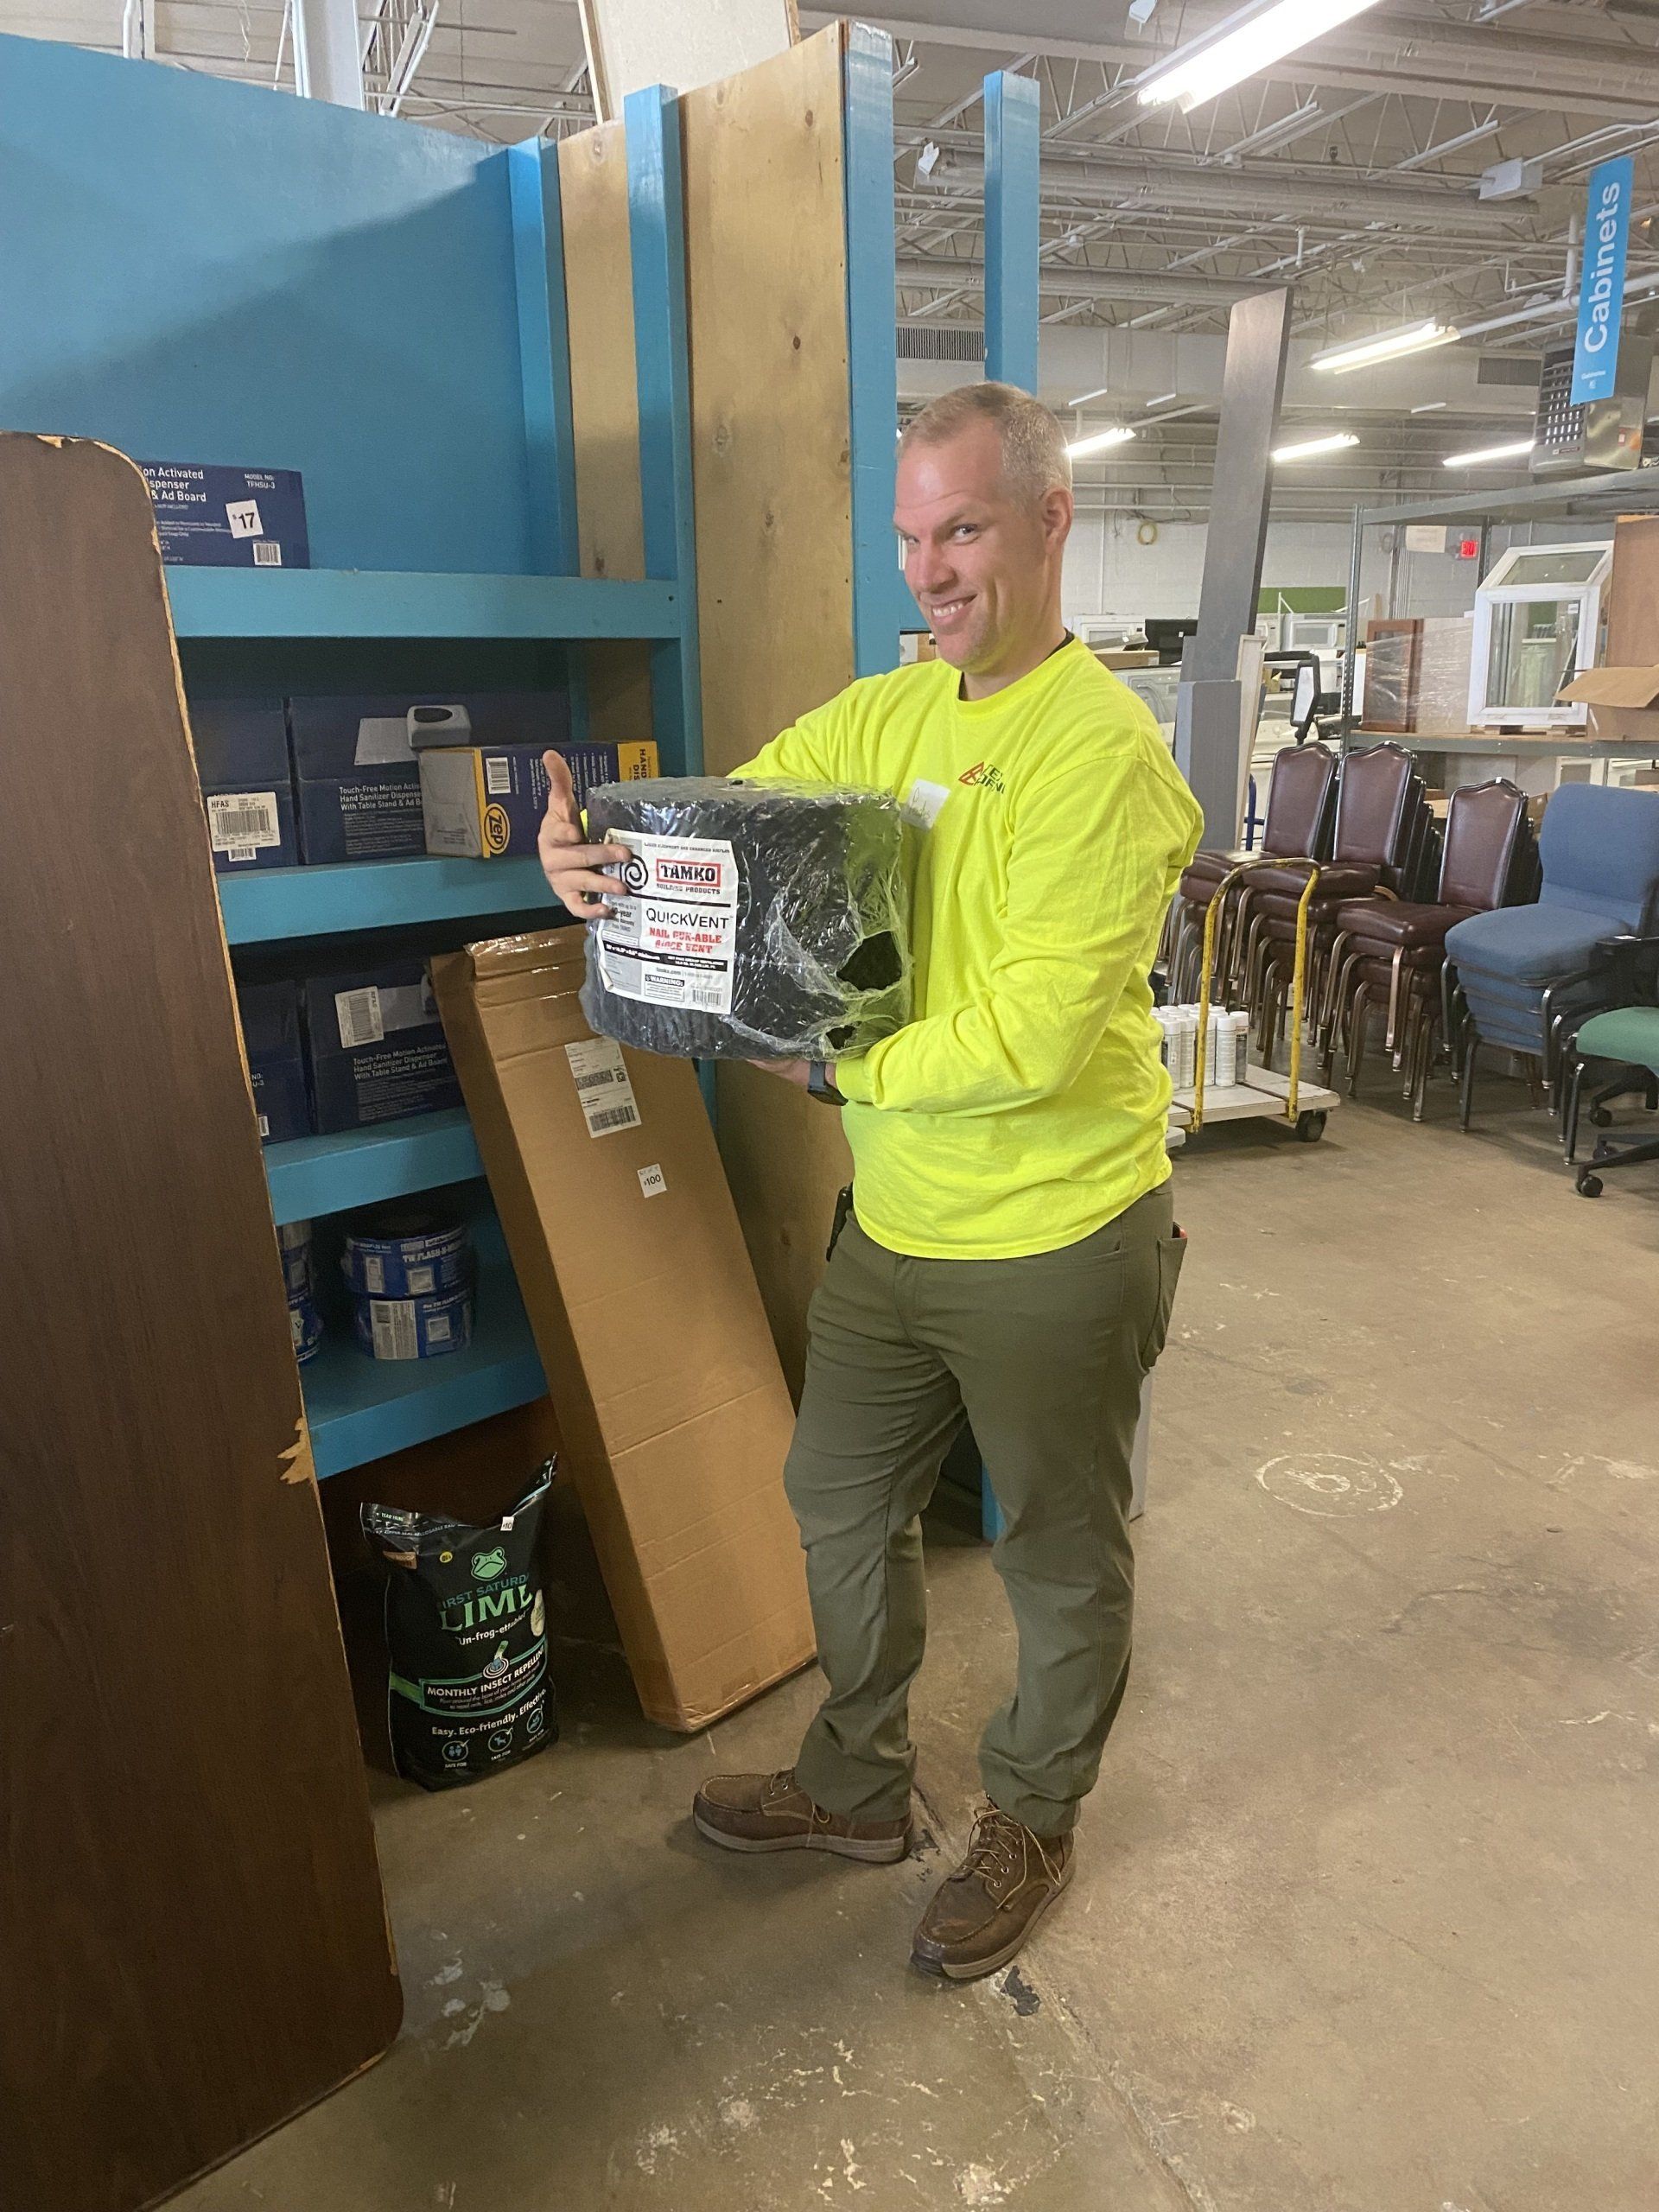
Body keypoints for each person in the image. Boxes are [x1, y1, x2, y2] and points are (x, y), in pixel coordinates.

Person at [537, 381, 1204, 1982]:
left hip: (1055, 1236)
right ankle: (856, 1787)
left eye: (962, 528)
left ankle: (1033, 1817)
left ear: (1052, 521)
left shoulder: (1099, 753)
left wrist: (840, 1074)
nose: (931, 572)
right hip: (897, 1224)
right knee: (836, 1496)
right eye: (913, 537)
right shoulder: (893, 714)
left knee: (1057, 1551)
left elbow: (1035, 1035)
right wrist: (603, 863)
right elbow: (735, 826)